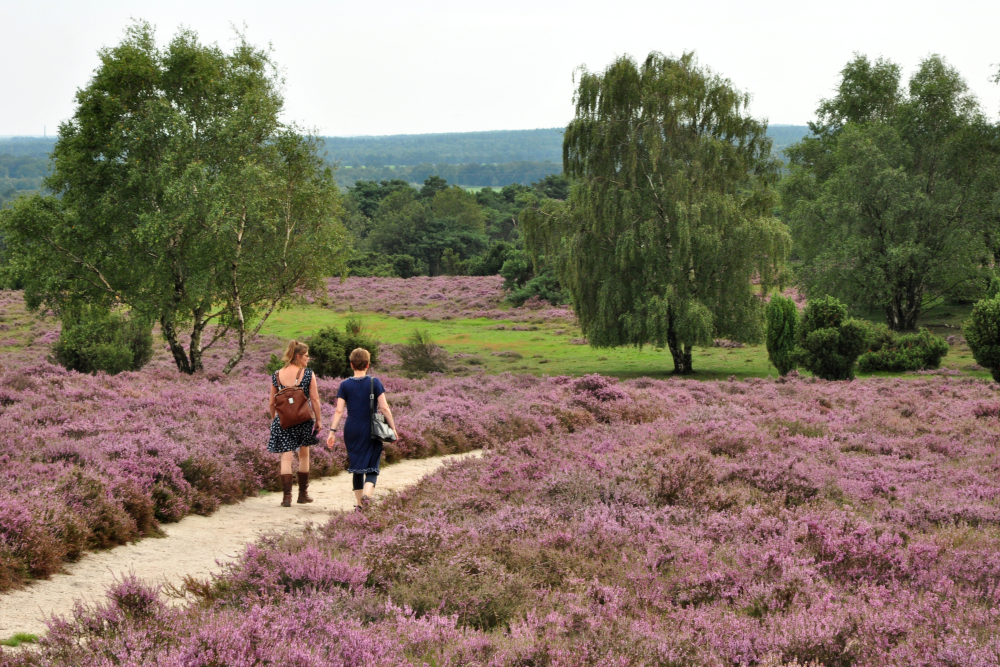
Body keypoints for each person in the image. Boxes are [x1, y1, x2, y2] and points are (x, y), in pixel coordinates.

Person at [326, 348, 397, 512]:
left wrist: (332, 432)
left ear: (351, 365)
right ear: (368, 364)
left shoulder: (344, 385)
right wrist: (392, 428)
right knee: (372, 466)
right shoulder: (375, 382)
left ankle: (359, 505)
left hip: (351, 429)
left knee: (356, 466)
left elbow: (338, 411)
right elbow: (384, 407)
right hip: (371, 429)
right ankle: (367, 495)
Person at [267, 340, 322, 507]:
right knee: (304, 455)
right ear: (298, 356)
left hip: (283, 420)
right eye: (306, 355)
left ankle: (286, 498)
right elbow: (314, 398)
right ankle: (302, 494)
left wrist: (274, 418)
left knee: (286, 457)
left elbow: (271, 402)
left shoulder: (277, 374)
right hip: (303, 420)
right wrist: (318, 419)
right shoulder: (307, 374)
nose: (308, 358)